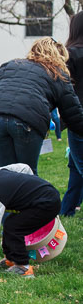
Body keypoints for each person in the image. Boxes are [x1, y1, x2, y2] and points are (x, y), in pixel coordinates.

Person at [0, 38, 83, 175]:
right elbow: (73, 115)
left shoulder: (9, 65)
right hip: (27, 121)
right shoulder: (58, 75)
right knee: (28, 175)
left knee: (7, 174)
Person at [61, 11, 83, 217]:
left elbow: (63, 87)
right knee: (75, 167)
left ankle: (66, 210)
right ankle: (66, 211)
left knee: (80, 164)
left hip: (77, 116)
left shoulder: (70, 54)